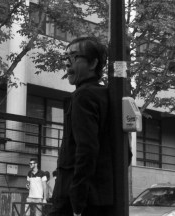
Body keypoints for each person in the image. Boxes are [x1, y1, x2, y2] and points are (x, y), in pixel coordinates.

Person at [47, 36, 114, 216]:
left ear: (93, 63)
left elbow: (86, 149)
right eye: (66, 57)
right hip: (101, 197)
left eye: (75, 57)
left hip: (76, 200)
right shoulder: (107, 96)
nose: (67, 63)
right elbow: (125, 153)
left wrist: (77, 200)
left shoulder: (82, 96)